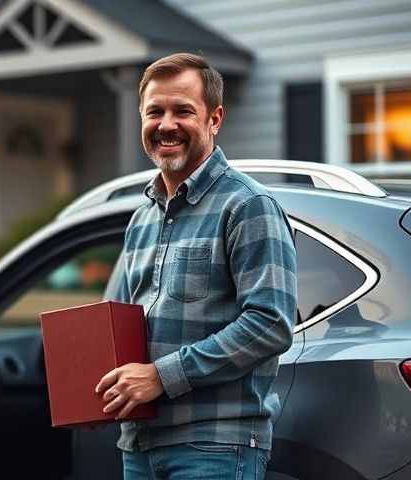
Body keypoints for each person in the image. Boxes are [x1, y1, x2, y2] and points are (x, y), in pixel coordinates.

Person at [94, 53, 297, 479]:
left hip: (215, 447)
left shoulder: (247, 205)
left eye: (183, 110)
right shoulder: (141, 219)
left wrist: (161, 377)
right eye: (155, 112)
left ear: (214, 119)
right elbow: (120, 324)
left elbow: (270, 323)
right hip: (140, 446)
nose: (166, 124)